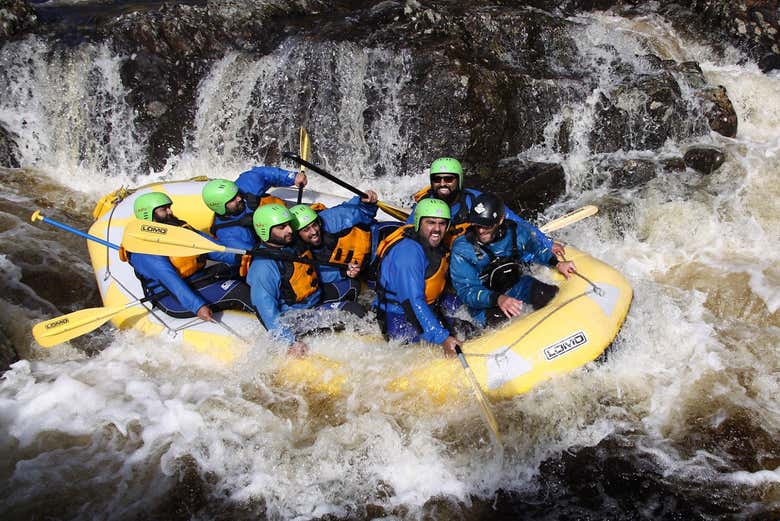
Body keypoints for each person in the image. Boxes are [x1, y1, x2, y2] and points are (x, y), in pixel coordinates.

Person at [449, 193, 576, 327]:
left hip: (517, 286)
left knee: (548, 295)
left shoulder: (516, 231)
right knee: (502, 323)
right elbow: (467, 291)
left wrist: (556, 263)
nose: (480, 231)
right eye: (477, 225)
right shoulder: (462, 249)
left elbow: (536, 249)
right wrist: (498, 299)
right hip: (486, 303)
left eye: (486, 225)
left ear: (500, 220)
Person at [126, 192, 254, 322]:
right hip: (171, 297)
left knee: (238, 272)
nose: (170, 212)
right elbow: (170, 279)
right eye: (163, 210)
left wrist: (243, 257)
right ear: (148, 214)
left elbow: (212, 247)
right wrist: (197, 306)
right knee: (238, 290)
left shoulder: (177, 229)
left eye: (169, 207)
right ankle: (273, 332)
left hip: (197, 280)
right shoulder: (144, 248)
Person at [408, 157, 563, 259]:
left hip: (475, 254)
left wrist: (546, 243)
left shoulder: (475, 200)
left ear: (459, 180)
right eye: (437, 179)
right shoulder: (422, 207)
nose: (442, 184)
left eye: (448, 179)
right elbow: (406, 235)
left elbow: (515, 221)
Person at [374, 198, 463, 357]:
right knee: (464, 328)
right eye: (431, 222)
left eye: (442, 223)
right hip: (398, 319)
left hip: (429, 303)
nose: (437, 229)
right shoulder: (408, 254)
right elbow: (412, 303)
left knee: (464, 304)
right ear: (418, 223)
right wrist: (442, 338)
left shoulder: (431, 243)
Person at [288, 189, 379, 305]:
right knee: (356, 288)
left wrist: (365, 202)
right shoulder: (297, 254)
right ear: (297, 234)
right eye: (306, 230)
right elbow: (319, 275)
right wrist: (344, 272)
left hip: (376, 242)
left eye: (314, 225)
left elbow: (361, 211)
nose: (314, 231)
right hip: (363, 269)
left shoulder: (333, 219)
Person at [201, 165, 307, 257]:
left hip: (287, 216)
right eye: (232, 199)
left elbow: (260, 173)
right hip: (278, 243)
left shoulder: (244, 187)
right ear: (220, 207)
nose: (239, 198)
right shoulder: (229, 235)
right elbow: (256, 255)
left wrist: (292, 177)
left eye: (237, 194)